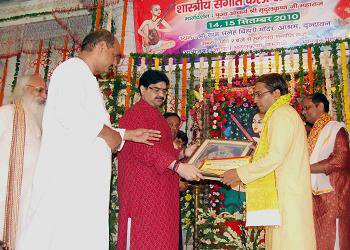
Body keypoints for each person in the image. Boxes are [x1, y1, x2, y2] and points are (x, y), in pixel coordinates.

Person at [16, 30, 161, 250]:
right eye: (114, 55)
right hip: (68, 180)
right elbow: (70, 112)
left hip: (80, 182)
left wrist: (127, 135)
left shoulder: (83, 76)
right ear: (101, 47)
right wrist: (110, 134)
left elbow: (88, 124)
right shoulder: (72, 70)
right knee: (58, 237)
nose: (114, 62)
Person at [221, 73, 316, 250]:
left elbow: (274, 157)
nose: (255, 100)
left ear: (276, 94)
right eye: (254, 95)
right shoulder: (282, 113)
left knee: (290, 242)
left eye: (259, 94)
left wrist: (239, 173)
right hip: (285, 190)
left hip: (287, 193)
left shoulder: (281, 115)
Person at [117, 69, 203, 249]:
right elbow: (145, 150)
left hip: (162, 192)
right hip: (143, 193)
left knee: (163, 240)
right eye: (156, 89)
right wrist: (178, 167)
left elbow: (162, 150)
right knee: (144, 239)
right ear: (142, 89)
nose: (161, 95)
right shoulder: (135, 114)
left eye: (164, 91)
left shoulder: (156, 115)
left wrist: (183, 153)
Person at [0, 74, 47, 250]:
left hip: (27, 201)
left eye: (45, 92)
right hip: (4, 196)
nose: (44, 96)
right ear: (23, 90)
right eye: (39, 90)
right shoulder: (6, 113)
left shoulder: (38, 125)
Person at [302, 93, 350, 250]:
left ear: (320, 106)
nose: (304, 112)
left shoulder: (336, 129)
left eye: (307, 108)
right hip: (316, 199)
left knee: (333, 240)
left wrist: (305, 168)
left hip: (333, 196)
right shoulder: (313, 132)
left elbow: (340, 160)